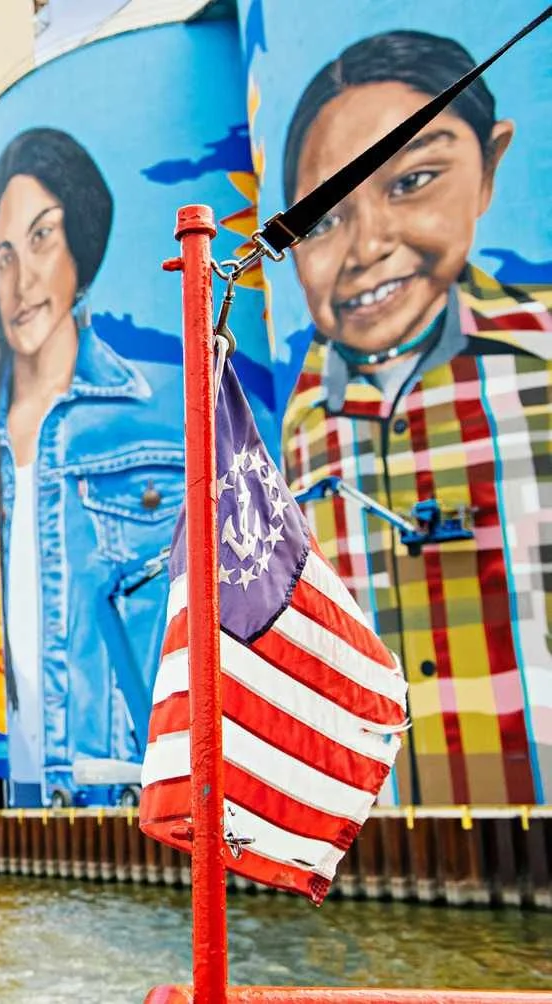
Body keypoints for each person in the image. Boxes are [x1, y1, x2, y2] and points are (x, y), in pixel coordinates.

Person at [279, 29, 552, 806]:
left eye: (414, 181)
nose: (368, 245)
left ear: (490, 165)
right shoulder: (302, 419)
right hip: (374, 832)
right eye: (322, 221)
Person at [0, 127, 185, 808]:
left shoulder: (167, 407)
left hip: (138, 799)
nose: (23, 280)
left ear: (85, 247)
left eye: (44, 237)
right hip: (20, 807)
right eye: (4, 253)